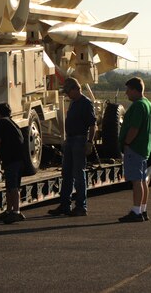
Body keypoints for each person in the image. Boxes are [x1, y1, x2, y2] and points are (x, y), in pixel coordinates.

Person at [48, 77, 96, 217]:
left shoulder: (86, 103)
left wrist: (89, 142)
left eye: (68, 91)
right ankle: (65, 204)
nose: (67, 94)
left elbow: (93, 124)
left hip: (79, 140)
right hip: (70, 140)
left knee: (78, 174)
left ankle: (81, 206)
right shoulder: (74, 102)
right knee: (67, 173)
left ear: (75, 89)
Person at [118, 77, 151, 223]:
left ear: (135, 90)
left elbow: (134, 128)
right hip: (144, 148)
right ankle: (142, 209)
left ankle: (136, 211)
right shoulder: (149, 104)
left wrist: (127, 142)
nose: (126, 93)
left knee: (136, 181)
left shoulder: (138, 106)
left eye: (128, 90)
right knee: (142, 180)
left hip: (135, 148)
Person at [0, 103, 25, 224]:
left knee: (13, 186)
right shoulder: (13, 123)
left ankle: (16, 212)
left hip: (12, 159)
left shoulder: (1, 123)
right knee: (11, 186)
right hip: (19, 159)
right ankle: (9, 210)